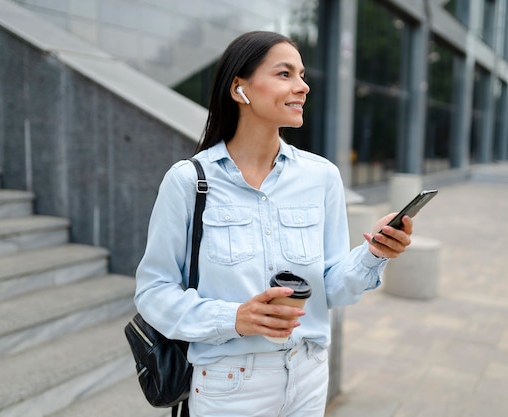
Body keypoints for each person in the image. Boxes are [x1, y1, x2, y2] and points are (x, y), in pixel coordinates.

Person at [134, 31, 413, 417]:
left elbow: (328, 288)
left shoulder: (322, 177)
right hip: (229, 384)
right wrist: (235, 318)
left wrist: (373, 254)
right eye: (285, 74)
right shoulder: (189, 181)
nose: (303, 86)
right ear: (239, 89)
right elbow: (153, 292)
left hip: (309, 374)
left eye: (301, 75)